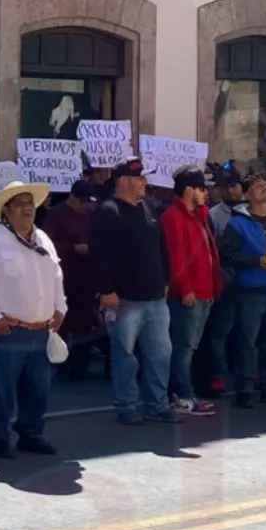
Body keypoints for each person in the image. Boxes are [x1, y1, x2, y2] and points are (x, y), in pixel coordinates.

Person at [0, 180, 64, 458]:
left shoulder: (43, 239)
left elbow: (56, 277)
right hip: (9, 329)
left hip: (41, 329)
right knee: (1, 389)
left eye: (29, 203)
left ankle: (31, 434)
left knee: (38, 389)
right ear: (6, 211)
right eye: (20, 204)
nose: (27, 209)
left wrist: (61, 308)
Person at [91, 160, 174, 426]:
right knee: (125, 356)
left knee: (160, 354)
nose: (144, 184)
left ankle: (157, 404)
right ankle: (126, 405)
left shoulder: (149, 208)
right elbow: (98, 255)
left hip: (155, 298)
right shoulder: (107, 211)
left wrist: (166, 279)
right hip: (124, 300)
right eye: (139, 179)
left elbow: (162, 247)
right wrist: (106, 290)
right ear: (124, 181)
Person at [220, 173, 266, 408]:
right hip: (250, 290)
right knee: (247, 341)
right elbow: (226, 256)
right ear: (248, 195)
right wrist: (257, 262)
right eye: (258, 186)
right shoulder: (237, 223)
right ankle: (245, 389)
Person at [161, 166, 221, 416]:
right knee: (183, 348)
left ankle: (185, 393)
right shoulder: (172, 216)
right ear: (188, 190)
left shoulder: (200, 216)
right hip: (189, 295)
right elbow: (177, 256)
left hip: (205, 293)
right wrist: (185, 289)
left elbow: (209, 253)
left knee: (190, 347)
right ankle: (182, 395)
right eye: (200, 188)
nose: (205, 193)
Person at [42, 182, 98, 380]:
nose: (85, 206)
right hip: (64, 277)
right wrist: (73, 248)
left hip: (86, 278)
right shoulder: (56, 215)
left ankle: (80, 364)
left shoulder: (89, 216)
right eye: (82, 201)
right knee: (62, 323)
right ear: (72, 197)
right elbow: (47, 245)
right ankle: (61, 364)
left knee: (84, 322)